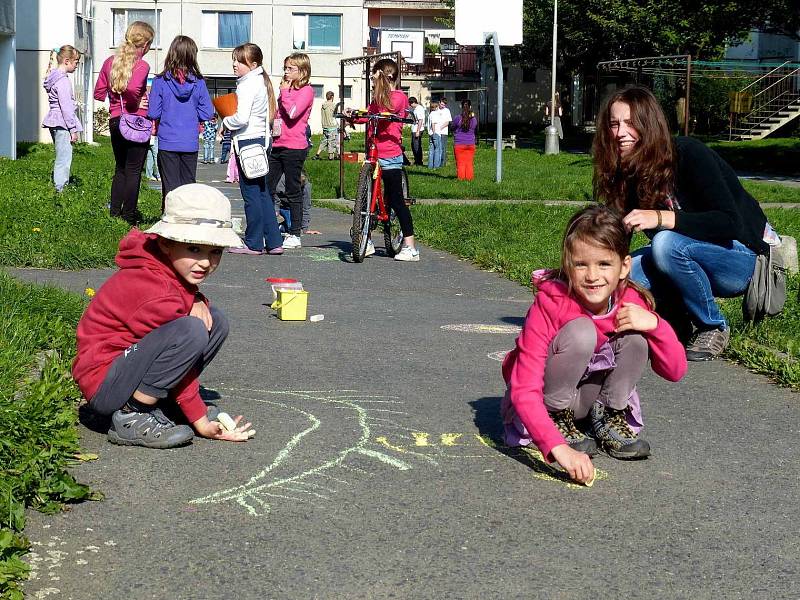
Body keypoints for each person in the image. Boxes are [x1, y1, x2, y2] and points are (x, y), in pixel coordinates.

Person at [501, 205, 687, 484]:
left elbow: (675, 371)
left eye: (604, 264)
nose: (592, 276)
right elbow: (523, 387)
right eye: (581, 264)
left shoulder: (630, 302)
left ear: (624, 267)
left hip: (588, 400)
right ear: (568, 264)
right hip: (545, 401)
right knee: (581, 332)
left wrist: (656, 326)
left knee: (635, 337)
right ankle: (556, 419)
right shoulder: (551, 303)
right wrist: (558, 450)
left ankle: (608, 417)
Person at [592, 85, 778, 361]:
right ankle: (675, 321)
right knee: (624, 274)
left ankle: (712, 326)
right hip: (684, 256)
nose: (620, 133)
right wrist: (580, 268)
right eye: (614, 124)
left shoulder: (688, 153)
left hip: (740, 257)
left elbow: (729, 223)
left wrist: (661, 218)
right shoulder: (628, 172)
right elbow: (617, 238)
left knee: (665, 243)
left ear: (649, 124)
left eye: (630, 123)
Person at [72, 184, 254, 449]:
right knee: (191, 330)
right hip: (105, 382)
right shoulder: (152, 288)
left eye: (215, 251)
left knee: (214, 320)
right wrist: (199, 418)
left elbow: (176, 323)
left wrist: (197, 298)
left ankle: (161, 403)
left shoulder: (161, 264)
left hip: (127, 368)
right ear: (167, 243)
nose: (205, 262)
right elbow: (181, 348)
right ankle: (132, 414)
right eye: (194, 249)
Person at [347, 58, 418, 262]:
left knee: (396, 200)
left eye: (375, 74)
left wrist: (381, 86)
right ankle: (365, 239)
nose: (371, 78)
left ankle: (410, 246)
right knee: (366, 201)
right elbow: (370, 115)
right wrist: (353, 116)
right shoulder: (377, 99)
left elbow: (389, 110)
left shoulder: (398, 97)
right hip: (372, 153)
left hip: (389, 154)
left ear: (386, 76)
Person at [222, 42, 283, 255]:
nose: (235, 65)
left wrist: (225, 123)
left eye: (240, 61)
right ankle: (274, 241)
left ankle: (254, 242)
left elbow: (241, 118)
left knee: (251, 194)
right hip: (261, 141)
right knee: (263, 193)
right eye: (234, 60)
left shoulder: (247, 84)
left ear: (253, 63)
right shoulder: (261, 81)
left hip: (248, 142)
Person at [93, 21, 154, 225]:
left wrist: (115, 95)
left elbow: (98, 93)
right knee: (134, 170)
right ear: (144, 44)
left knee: (120, 169)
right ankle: (128, 216)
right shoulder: (142, 65)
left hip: (115, 121)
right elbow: (134, 89)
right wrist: (137, 100)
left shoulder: (110, 62)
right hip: (136, 121)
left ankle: (114, 214)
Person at [147, 35, 214, 203]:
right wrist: (193, 111)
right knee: (188, 187)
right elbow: (207, 113)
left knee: (170, 188)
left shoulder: (160, 81)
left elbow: (154, 112)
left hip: (168, 140)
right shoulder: (199, 82)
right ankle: (187, 221)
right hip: (190, 142)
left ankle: (170, 221)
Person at [268, 53, 314, 250]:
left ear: (302, 71)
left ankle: (295, 233)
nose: (286, 72)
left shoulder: (307, 91)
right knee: (267, 186)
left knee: (292, 188)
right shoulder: (284, 90)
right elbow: (280, 114)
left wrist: (285, 93)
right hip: (278, 143)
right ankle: (269, 228)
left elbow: (293, 113)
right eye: (285, 68)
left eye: (290, 69)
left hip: (295, 147)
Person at [42, 45, 83, 193]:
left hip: (55, 120)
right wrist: (73, 129)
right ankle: (60, 189)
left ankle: (60, 186)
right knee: (64, 157)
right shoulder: (63, 81)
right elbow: (66, 108)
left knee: (61, 154)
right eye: (76, 62)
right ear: (66, 61)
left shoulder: (53, 77)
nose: (77, 65)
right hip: (63, 122)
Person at [452, 99, 477, 181]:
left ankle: (461, 179)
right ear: (470, 107)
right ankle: (469, 179)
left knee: (460, 163)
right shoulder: (474, 119)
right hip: (471, 143)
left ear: (461, 106)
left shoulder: (457, 118)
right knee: (469, 163)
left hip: (459, 144)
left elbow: (452, 127)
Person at [313, 91, 338, 160]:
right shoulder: (333, 105)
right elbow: (336, 114)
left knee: (324, 141)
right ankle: (331, 157)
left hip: (325, 127)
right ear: (332, 97)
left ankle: (317, 155)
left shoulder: (323, 105)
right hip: (331, 127)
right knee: (331, 142)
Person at [409, 97, 426, 166]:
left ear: (413, 102)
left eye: (410, 104)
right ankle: (417, 160)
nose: (410, 105)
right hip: (415, 128)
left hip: (417, 129)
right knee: (413, 145)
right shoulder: (415, 109)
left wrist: (418, 131)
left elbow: (420, 120)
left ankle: (419, 161)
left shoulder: (419, 109)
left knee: (416, 146)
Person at [427, 99, 442, 169]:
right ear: (436, 107)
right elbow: (433, 123)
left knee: (431, 150)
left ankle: (430, 165)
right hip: (435, 133)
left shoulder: (430, 114)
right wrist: (434, 132)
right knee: (437, 149)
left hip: (430, 134)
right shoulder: (435, 114)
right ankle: (436, 166)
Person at [144, 117, 160, 181]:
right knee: (156, 157)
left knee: (150, 156)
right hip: (154, 136)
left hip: (148, 136)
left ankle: (149, 175)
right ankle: (159, 175)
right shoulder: (156, 116)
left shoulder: (147, 116)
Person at [437, 97, 452, 167]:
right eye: (442, 104)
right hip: (436, 132)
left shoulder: (447, 111)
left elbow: (448, 122)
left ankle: (442, 164)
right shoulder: (436, 110)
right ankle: (437, 162)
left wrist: (440, 128)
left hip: (443, 132)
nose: (443, 106)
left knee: (443, 148)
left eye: (444, 105)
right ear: (439, 103)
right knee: (437, 148)